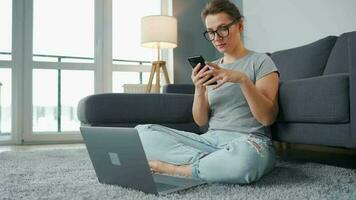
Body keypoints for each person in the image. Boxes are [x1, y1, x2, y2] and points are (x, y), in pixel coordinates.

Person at [135, 0, 279, 184]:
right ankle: (215, 164)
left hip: (249, 142)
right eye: (211, 32)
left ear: (240, 25)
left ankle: (176, 169)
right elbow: (201, 121)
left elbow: (267, 118)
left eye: (223, 28)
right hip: (210, 141)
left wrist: (242, 79)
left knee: (245, 161)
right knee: (142, 133)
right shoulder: (212, 68)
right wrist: (199, 89)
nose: (217, 37)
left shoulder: (260, 62)